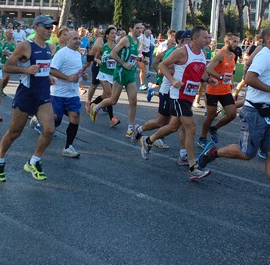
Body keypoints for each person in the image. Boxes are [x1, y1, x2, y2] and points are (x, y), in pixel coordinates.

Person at [197, 24, 270, 212]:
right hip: (255, 113)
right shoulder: (263, 56)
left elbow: (268, 80)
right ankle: (212, 153)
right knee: (247, 154)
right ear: (268, 39)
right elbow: (250, 78)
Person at [138, 25, 211, 180]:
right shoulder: (182, 52)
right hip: (178, 95)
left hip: (189, 95)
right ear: (195, 38)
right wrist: (173, 80)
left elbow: (201, 72)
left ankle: (148, 140)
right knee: (191, 128)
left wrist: (211, 80)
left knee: (172, 127)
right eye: (205, 37)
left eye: (209, 37)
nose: (208, 40)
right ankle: (193, 167)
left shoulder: (203, 53)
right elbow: (162, 65)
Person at [0, 15, 56, 182]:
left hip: (43, 95)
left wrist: (48, 76)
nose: (50, 30)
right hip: (26, 95)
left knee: (49, 130)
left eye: (51, 27)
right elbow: (7, 66)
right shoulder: (25, 46)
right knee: (14, 132)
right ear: (35, 27)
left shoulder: (49, 47)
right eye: (46, 27)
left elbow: (42, 69)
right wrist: (26, 71)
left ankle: (34, 161)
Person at [90, 20, 145, 137]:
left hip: (130, 74)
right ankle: (96, 106)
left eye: (141, 28)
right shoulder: (126, 40)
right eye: (137, 28)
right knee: (113, 100)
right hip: (120, 72)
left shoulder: (137, 41)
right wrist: (124, 63)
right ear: (131, 29)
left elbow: (132, 56)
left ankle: (130, 127)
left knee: (133, 101)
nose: (140, 30)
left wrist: (140, 60)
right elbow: (113, 54)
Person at [50, 30, 89, 157]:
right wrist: (67, 78)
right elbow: (52, 70)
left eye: (79, 38)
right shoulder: (61, 53)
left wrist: (83, 76)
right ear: (68, 40)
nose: (78, 41)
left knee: (75, 118)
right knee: (54, 122)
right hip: (58, 94)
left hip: (72, 94)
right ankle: (39, 120)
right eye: (75, 39)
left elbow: (76, 74)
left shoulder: (78, 54)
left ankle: (68, 147)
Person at [198, 33, 240, 147]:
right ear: (227, 41)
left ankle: (214, 128)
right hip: (214, 89)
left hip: (225, 90)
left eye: (237, 42)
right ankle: (202, 138)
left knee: (232, 114)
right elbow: (209, 69)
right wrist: (221, 78)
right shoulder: (220, 54)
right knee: (211, 116)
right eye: (234, 42)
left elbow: (230, 71)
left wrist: (231, 80)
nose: (237, 44)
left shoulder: (232, 55)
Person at [87, 26, 121, 128]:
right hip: (103, 73)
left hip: (113, 74)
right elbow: (95, 58)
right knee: (110, 96)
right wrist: (98, 61)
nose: (114, 35)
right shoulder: (103, 47)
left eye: (115, 33)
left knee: (105, 96)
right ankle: (112, 119)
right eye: (112, 33)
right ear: (107, 35)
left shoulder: (118, 47)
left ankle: (92, 104)